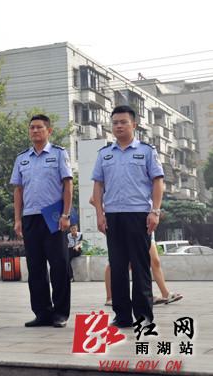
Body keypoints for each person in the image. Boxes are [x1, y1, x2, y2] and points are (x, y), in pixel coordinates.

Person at [91, 105, 164, 328]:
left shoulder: (146, 151)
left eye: (123, 122)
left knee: (140, 266)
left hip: (139, 215)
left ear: (134, 124)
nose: (119, 126)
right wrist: (99, 215)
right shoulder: (105, 154)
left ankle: (143, 315)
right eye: (115, 123)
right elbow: (98, 186)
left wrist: (155, 211)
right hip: (113, 217)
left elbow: (158, 182)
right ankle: (121, 315)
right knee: (118, 266)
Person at [10, 114, 73, 328]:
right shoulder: (22, 158)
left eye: (39, 127)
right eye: (32, 128)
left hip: (53, 217)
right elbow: (18, 190)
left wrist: (66, 215)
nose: (35, 131)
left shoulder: (58, 154)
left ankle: (60, 313)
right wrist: (17, 219)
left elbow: (68, 185)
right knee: (35, 268)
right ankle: (42, 312)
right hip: (30, 218)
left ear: (49, 131)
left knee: (59, 265)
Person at [104, 234, 183, 306]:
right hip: (123, 226)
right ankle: (110, 298)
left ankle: (165, 294)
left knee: (155, 261)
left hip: (143, 226)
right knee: (116, 263)